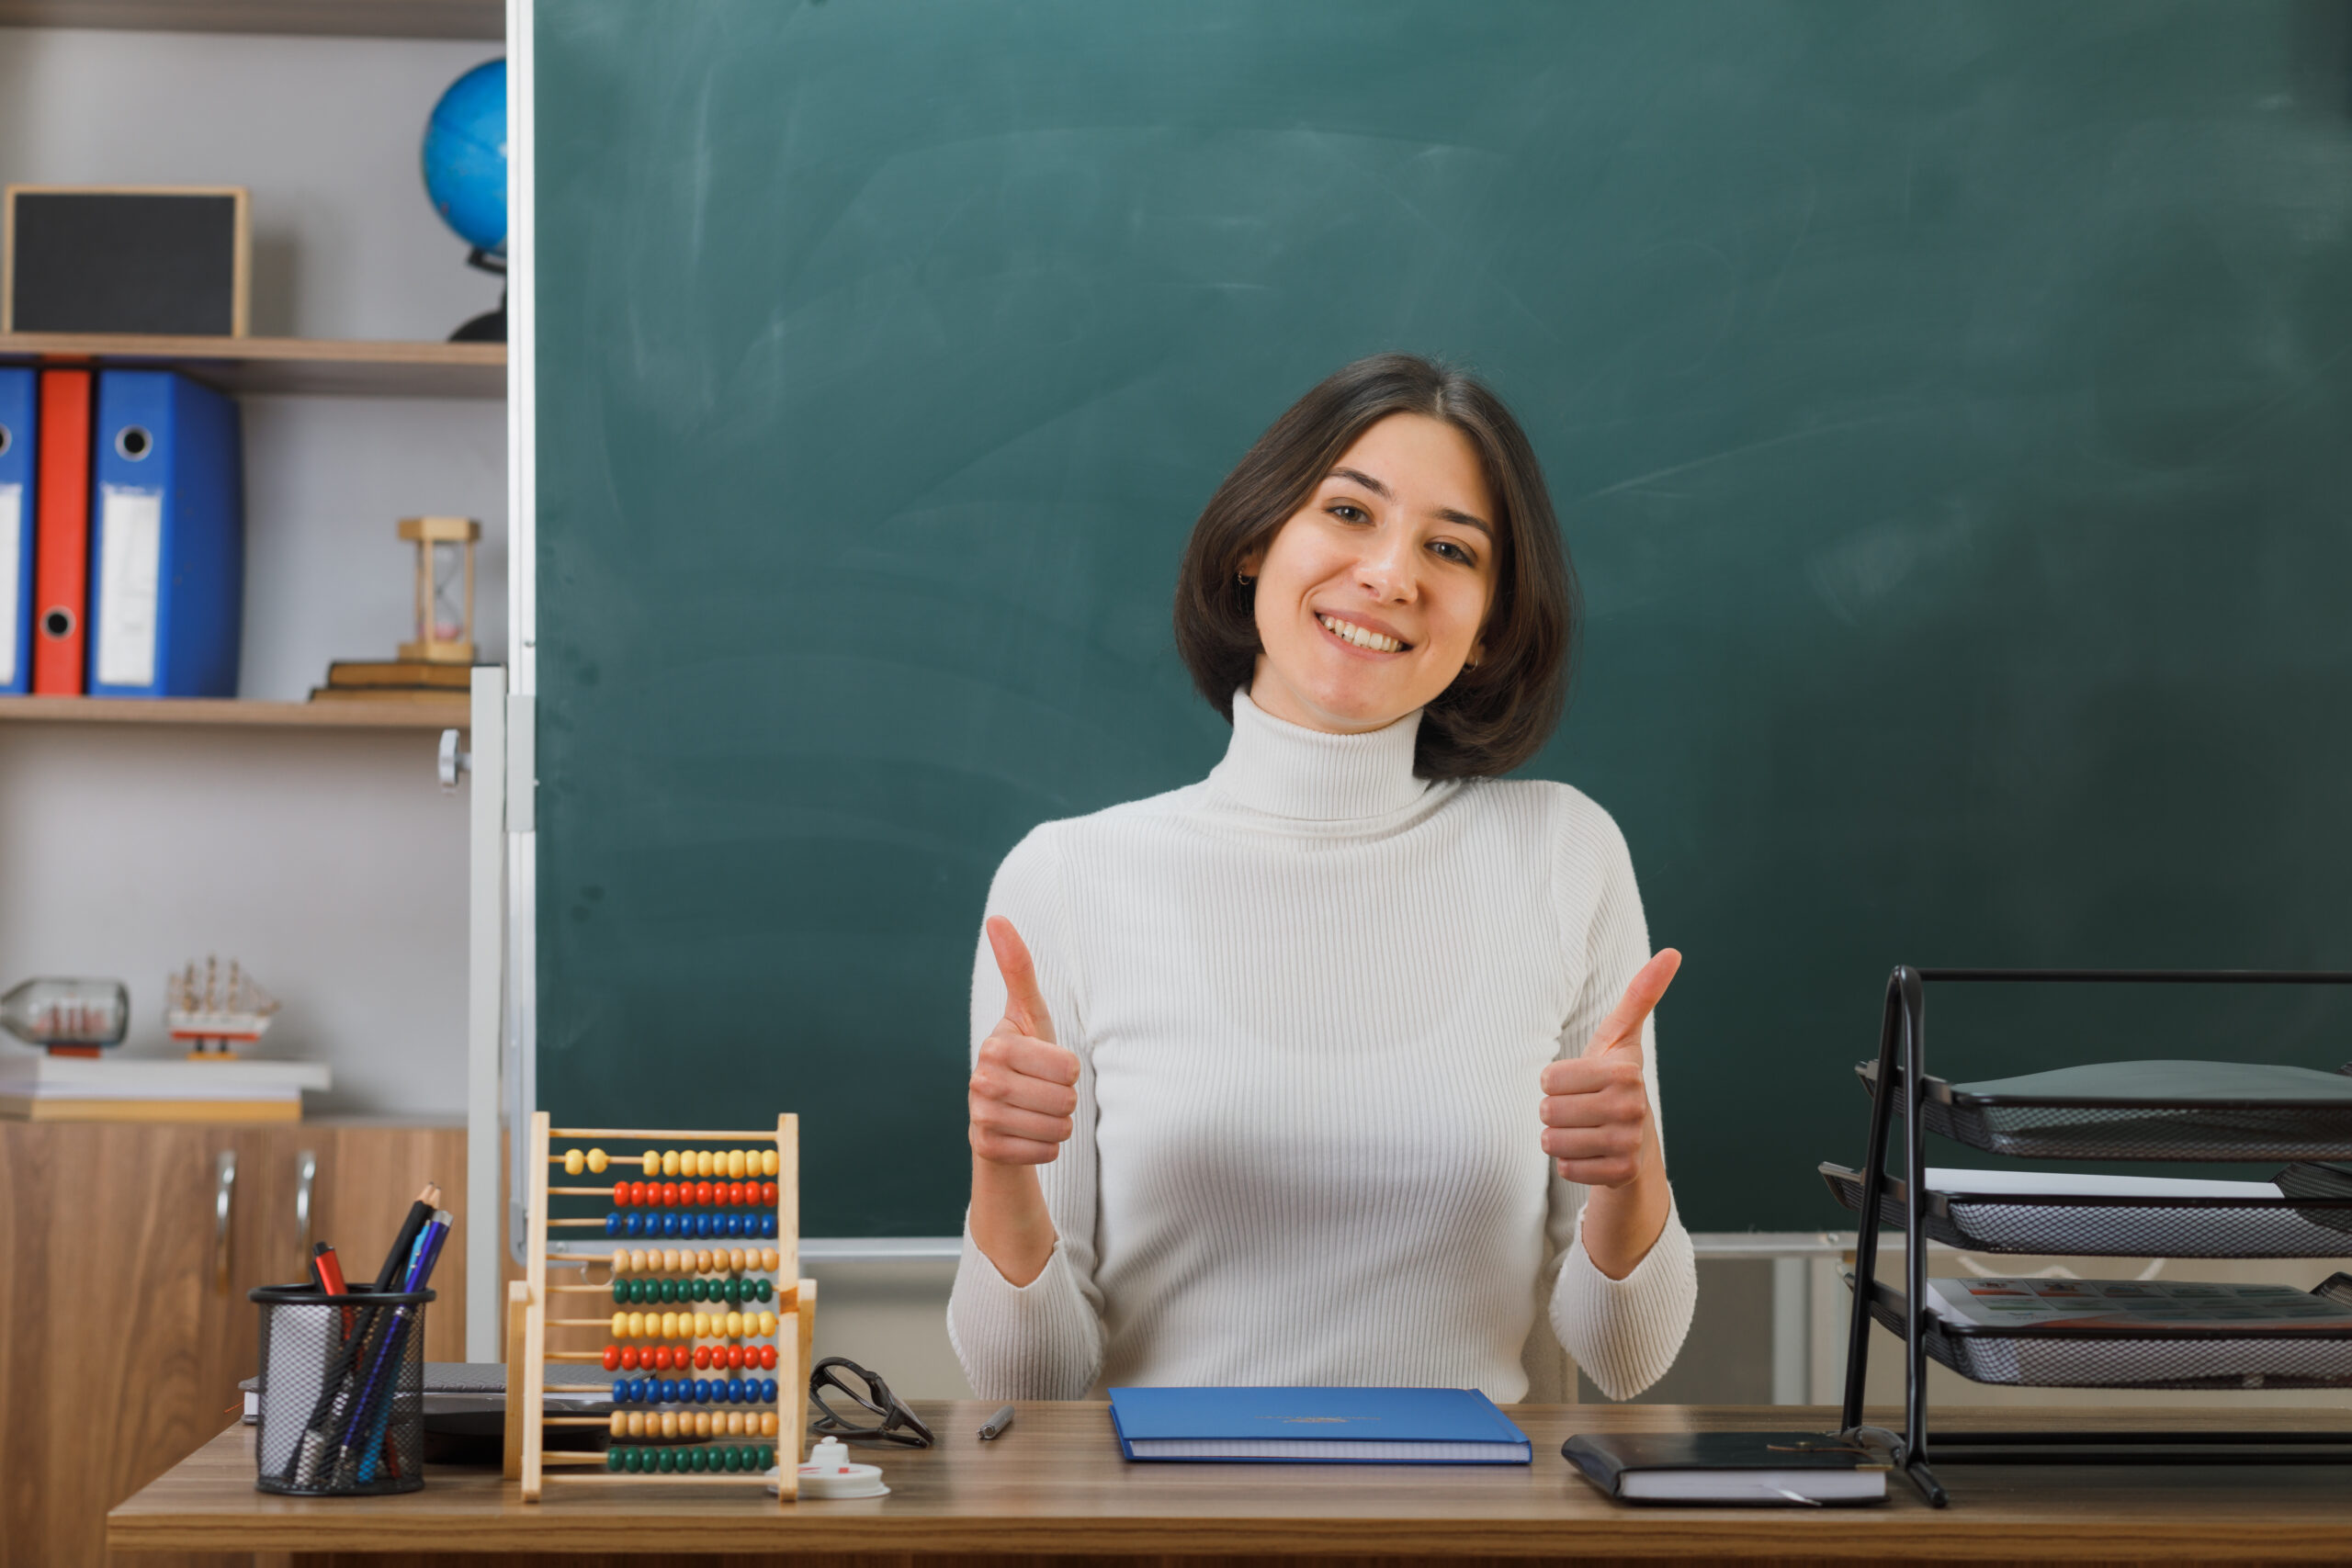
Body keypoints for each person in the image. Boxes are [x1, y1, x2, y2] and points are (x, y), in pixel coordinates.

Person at [947, 354, 1696, 1402]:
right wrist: (1004, 1172)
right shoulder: (1068, 878)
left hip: (1469, 1539)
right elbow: (1032, 1382)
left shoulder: (1562, 853)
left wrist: (1631, 1175)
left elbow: (1623, 1362)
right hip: (1162, 1543)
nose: (1392, 575)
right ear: (1256, 542)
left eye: (1449, 548)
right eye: (1349, 512)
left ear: (1484, 632)